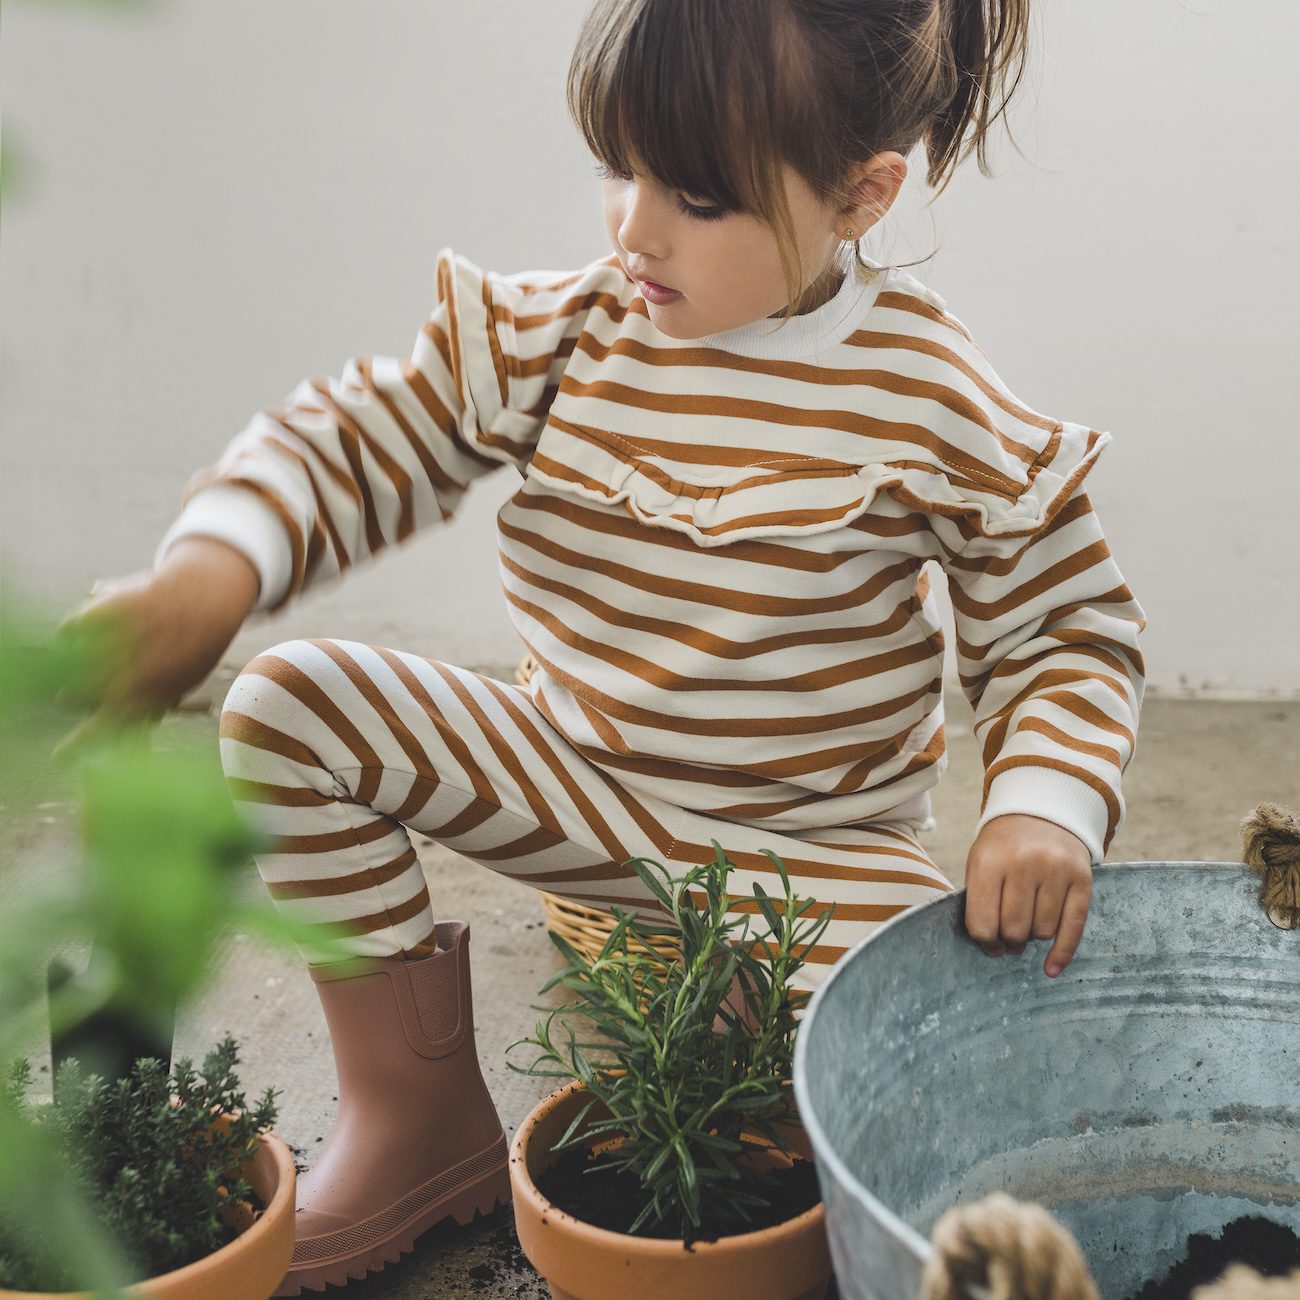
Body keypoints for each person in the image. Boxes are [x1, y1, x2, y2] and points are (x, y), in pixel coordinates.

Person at [62, 0, 1144, 1291]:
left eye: (696, 194)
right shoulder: (574, 334)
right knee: (290, 705)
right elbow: (371, 432)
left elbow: (1062, 623)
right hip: (573, 804)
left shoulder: (925, 392)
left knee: (978, 1014)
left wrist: (1039, 805)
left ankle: (749, 1039)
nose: (634, 225)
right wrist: (214, 570)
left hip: (803, 865)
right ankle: (419, 1122)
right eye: (620, 169)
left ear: (860, 195)